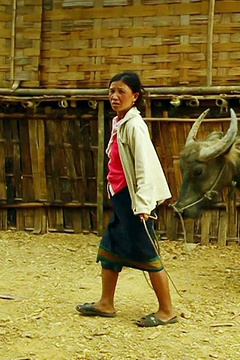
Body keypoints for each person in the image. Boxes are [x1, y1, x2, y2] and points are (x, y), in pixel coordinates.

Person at [76, 71, 177, 327]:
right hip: (121, 199)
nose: (114, 96)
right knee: (110, 249)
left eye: (121, 91)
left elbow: (144, 167)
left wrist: (143, 205)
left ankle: (167, 311)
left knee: (148, 254)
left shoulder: (134, 126)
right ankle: (105, 303)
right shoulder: (119, 122)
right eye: (111, 91)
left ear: (135, 96)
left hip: (134, 201)